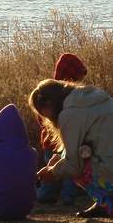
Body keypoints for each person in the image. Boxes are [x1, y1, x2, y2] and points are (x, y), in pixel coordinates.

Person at [29, 79, 113, 218]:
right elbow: (85, 147)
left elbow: (74, 166)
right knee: (84, 153)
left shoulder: (70, 113)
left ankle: (106, 204)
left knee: (80, 166)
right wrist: (59, 161)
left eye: (42, 113)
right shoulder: (97, 99)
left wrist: (53, 172)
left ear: (48, 102)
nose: (44, 119)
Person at [36, 53, 87, 205]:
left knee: (53, 167)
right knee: (71, 168)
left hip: (50, 140)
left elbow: (40, 115)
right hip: (64, 140)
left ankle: (46, 194)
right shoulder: (72, 96)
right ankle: (66, 196)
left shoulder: (47, 91)